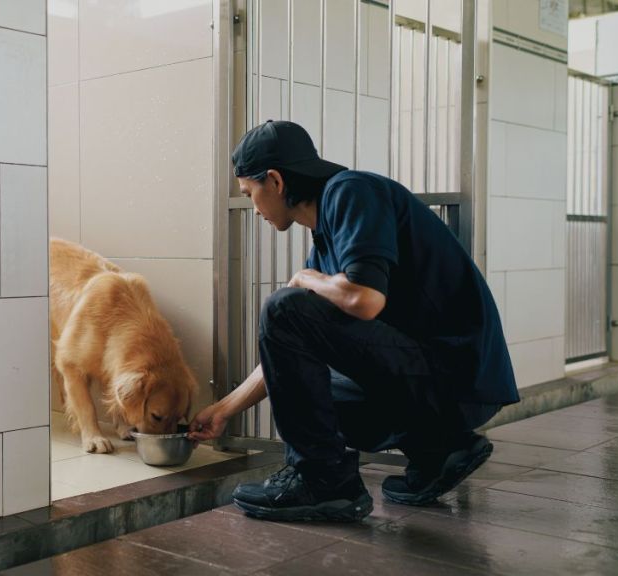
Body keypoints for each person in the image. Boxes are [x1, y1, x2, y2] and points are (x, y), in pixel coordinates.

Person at [188, 120, 518, 522]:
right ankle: (440, 450)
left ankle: (324, 482)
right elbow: (286, 354)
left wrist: (304, 279)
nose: (253, 207)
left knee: (284, 307)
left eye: (249, 193)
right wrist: (224, 408)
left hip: (457, 376)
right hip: (446, 379)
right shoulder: (328, 234)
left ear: (274, 180)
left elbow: (365, 300)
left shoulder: (351, 191)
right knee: (303, 386)